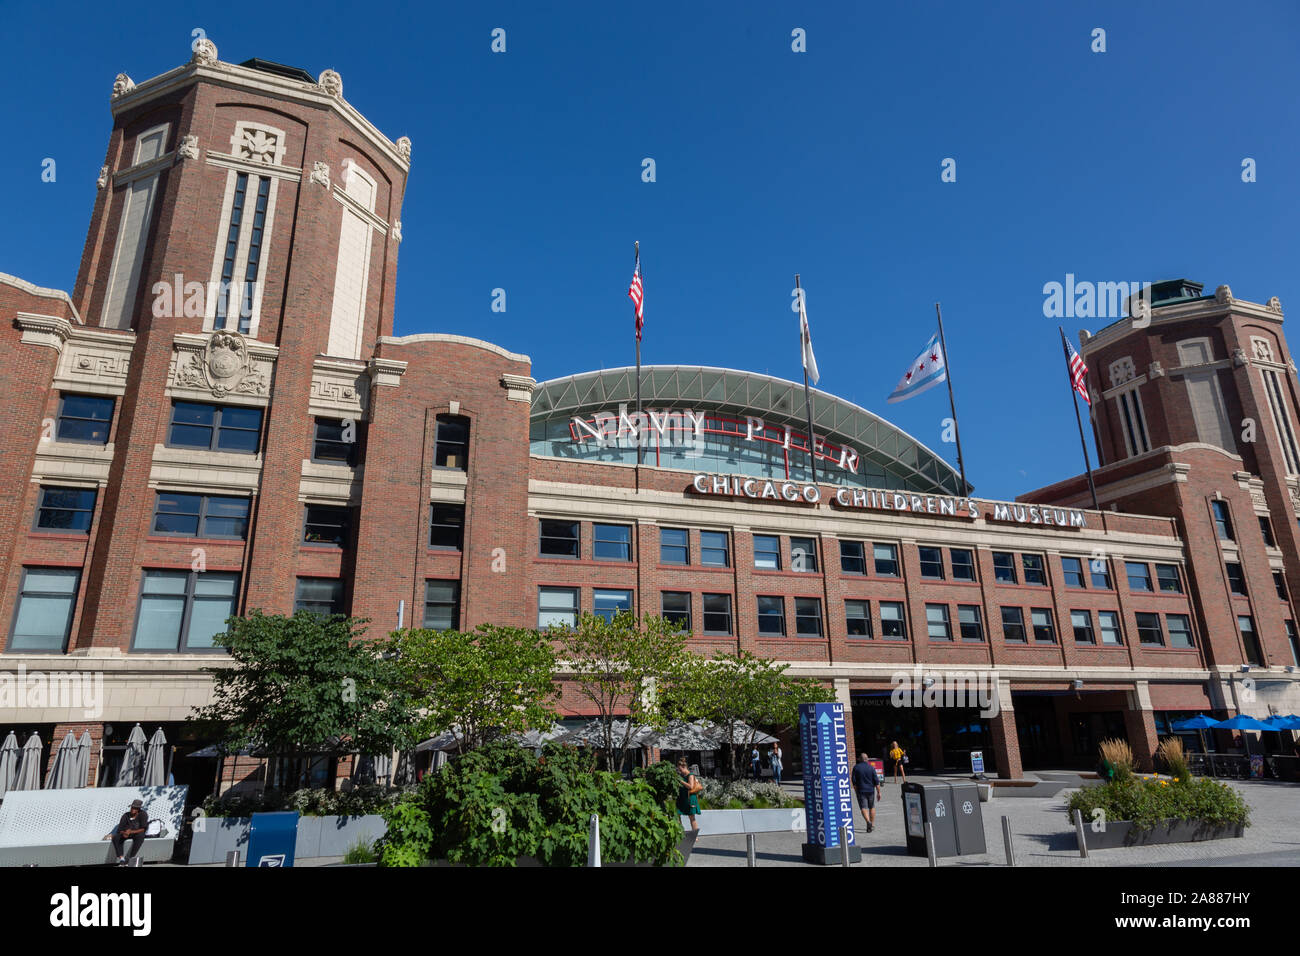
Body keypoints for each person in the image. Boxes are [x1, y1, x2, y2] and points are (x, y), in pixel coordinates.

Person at [105, 799, 149, 865]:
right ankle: (122, 859)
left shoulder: (143, 814)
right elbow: (120, 829)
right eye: (132, 807)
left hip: (136, 833)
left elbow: (143, 829)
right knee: (116, 837)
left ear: (138, 809)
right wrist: (124, 833)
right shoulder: (125, 815)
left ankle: (130, 858)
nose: (133, 809)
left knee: (141, 836)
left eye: (135, 808)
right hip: (126, 833)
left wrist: (131, 832)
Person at [851, 753, 883, 833]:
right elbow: (876, 782)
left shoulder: (856, 768)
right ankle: (871, 825)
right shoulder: (871, 768)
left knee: (863, 807)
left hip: (861, 791)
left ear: (859, 759)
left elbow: (854, 782)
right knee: (872, 807)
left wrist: (856, 791)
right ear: (867, 759)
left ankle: (868, 821)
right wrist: (879, 792)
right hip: (871, 791)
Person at [676, 757, 702, 831]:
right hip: (682, 798)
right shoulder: (682, 776)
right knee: (677, 815)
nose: (680, 771)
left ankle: (695, 835)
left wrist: (681, 781)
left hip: (689, 798)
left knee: (691, 817)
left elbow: (690, 786)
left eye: (680, 769)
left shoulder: (690, 775)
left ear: (684, 767)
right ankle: (681, 832)